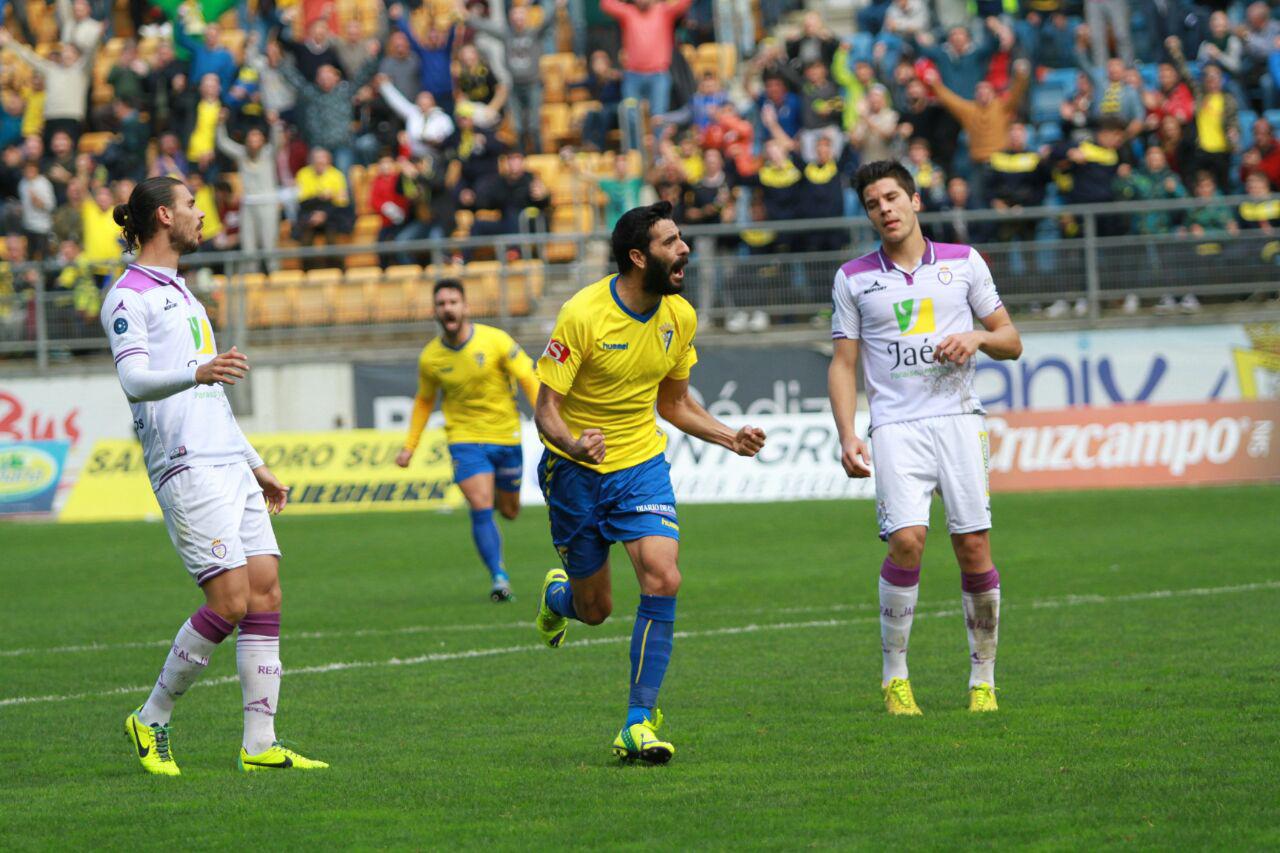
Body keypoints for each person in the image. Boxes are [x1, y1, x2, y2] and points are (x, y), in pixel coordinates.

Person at [101, 176, 327, 776]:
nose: (202, 215)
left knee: (266, 591)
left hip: (225, 461)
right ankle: (150, 718)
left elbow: (213, 397)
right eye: (192, 205)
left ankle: (259, 744)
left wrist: (256, 465)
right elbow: (135, 381)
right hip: (184, 464)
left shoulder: (186, 295)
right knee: (227, 602)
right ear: (161, 217)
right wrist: (198, 372)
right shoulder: (128, 296)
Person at [532, 201, 766, 763]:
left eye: (681, 238)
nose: (683, 249)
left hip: (639, 466)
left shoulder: (679, 316)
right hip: (576, 474)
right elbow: (546, 410)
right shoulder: (582, 314)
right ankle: (558, 598)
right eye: (670, 242)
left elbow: (675, 402)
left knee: (663, 577)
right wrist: (571, 443)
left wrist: (728, 436)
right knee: (596, 610)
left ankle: (637, 721)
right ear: (639, 257)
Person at [827, 160, 1022, 717]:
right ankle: (895, 679)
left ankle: (982, 681)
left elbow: (1011, 341)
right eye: (872, 203)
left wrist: (976, 337)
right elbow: (843, 365)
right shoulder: (854, 277)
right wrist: (847, 434)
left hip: (960, 420)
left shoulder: (964, 264)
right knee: (907, 540)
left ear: (916, 202)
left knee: (973, 548)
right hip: (895, 427)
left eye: (892, 197)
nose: (884, 209)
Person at [395, 280, 540, 601]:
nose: (448, 308)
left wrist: (546, 418)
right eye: (442, 303)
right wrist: (410, 446)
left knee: (510, 510)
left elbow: (528, 376)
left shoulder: (495, 341)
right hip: (464, 439)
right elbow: (423, 401)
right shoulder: (431, 358)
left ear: (466, 307)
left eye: (453, 302)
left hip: (506, 437)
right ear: (435, 311)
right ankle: (499, 577)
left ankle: (499, 548)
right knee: (480, 505)